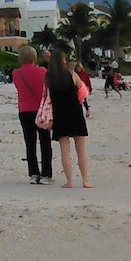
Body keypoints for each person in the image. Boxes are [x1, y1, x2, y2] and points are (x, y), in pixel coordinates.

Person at [46, 49, 92, 189]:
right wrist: (86, 106)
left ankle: (70, 181)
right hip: (75, 113)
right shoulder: (72, 75)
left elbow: (47, 99)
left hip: (59, 115)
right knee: (81, 151)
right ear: (63, 60)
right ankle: (85, 181)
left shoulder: (49, 78)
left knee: (64, 151)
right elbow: (83, 93)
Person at [11, 44, 52, 184]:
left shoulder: (16, 73)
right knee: (45, 142)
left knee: (30, 143)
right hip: (40, 110)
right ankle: (46, 174)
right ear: (34, 57)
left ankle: (34, 173)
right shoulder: (42, 71)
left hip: (24, 110)